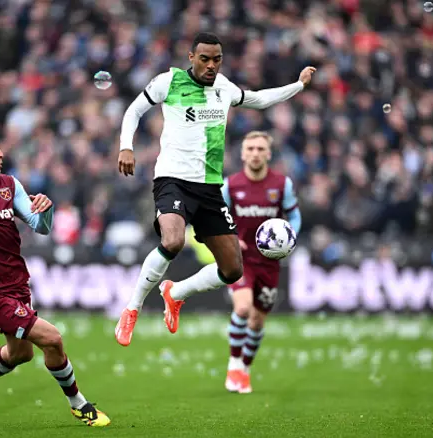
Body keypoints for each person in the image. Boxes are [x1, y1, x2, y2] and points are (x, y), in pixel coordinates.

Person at [114, 32, 314, 346]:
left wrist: (298, 85)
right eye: (204, 58)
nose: (211, 65)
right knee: (173, 240)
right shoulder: (169, 82)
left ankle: (175, 292)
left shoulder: (224, 89)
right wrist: (126, 147)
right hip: (172, 179)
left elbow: (259, 100)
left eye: (217, 59)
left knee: (233, 269)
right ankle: (131, 309)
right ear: (191, 57)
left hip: (208, 187)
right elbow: (134, 110)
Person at [0, 126, 110, 427]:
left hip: (17, 282)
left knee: (20, 353)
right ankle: (79, 404)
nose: (1, 153)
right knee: (52, 339)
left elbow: (40, 226)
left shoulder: (9, 185)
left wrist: (46, 210)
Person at [221, 131, 302, 394]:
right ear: (243, 153)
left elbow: (295, 217)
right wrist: (230, 238)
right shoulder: (230, 185)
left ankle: (244, 368)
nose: (255, 153)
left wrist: (290, 239)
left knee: (257, 322)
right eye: (250, 148)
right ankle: (234, 363)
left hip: (269, 264)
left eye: (260, 149)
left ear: (269, 154)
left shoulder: (282, 185)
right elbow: (216, 218)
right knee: (243, 308)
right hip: (239, 260)